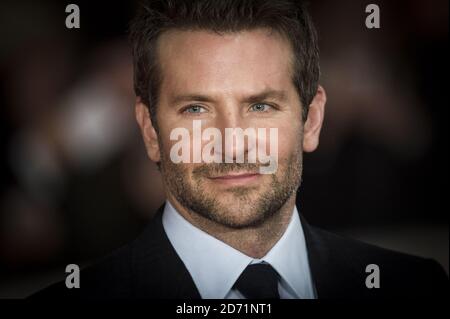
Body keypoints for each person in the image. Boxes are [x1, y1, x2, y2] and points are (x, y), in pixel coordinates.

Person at [31, 0, 448, 299]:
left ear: (312, 119)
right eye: (196, 108)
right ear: (150, 131)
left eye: (260, 106)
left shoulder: (416, 287)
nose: (232, 142)